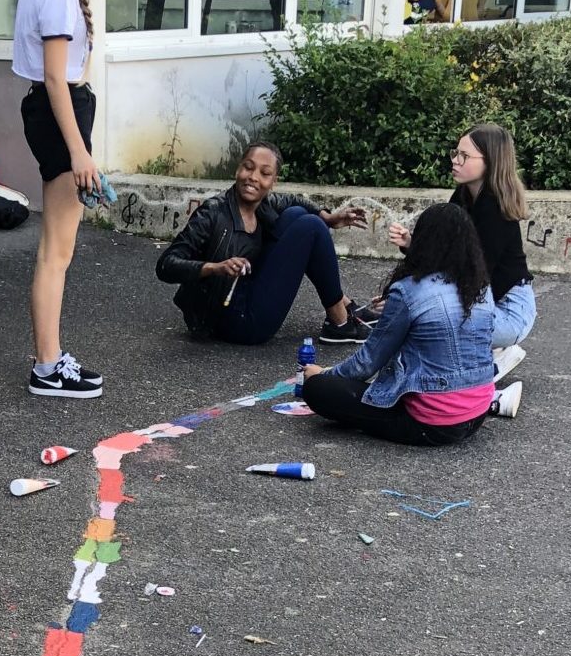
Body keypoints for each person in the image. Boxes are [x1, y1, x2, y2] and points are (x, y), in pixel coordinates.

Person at [12, 0, 117, 399]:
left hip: (59, 112)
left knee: (58, 250)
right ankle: (48, 366)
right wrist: (79, 153)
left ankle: (49, 361)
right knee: (57, 251)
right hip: (61, 114)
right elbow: (57, 78)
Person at [302, 203, 520, 447]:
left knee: (318, 389)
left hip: (432, 424)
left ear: (422, 242)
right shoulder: (481, 287)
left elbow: (367, 361)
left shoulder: (408, 291)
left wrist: (322, 374)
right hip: (476, 414)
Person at [155, 142, 373, 346]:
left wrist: (329, 218)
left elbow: (295, 202)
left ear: (273, 180)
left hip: (248, 289)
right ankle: (340, 322)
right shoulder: (213, 213)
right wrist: (215, 267)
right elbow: (166, 265)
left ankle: (344, 304)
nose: (253, 177)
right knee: (311, 227)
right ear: (237, 170)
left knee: (297, 214)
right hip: (228, 318)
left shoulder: (264, 203)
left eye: (264, 173)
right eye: (247, 168)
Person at [389, 123, 534, 385]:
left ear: (490, 162)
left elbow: (472, 276)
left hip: (510, 310)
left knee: (430, 324)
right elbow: (445, 254)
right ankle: (478, 356)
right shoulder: (463, 195)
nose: (455, 161)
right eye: (455, 153)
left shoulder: (496, 210)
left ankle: (490, 361)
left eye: (464, 156)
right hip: (481, 298)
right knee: (418, 314)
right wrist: (411, 244)